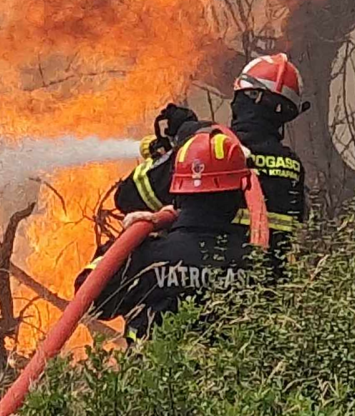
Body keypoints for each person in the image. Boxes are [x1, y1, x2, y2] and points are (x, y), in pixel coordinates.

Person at [77, 127, 269, 339]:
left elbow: (88, 302)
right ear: (237, 196)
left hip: (151, 361)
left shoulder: (147, 256)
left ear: (178, 192)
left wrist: (126, 240)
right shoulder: (255, 264)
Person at [114, 53, 309, 247]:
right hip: (270, 266)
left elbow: (128, 196)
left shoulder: (216, 153)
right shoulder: (294, 167)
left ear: (250, 97)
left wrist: (186, 146)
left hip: (206, 260)